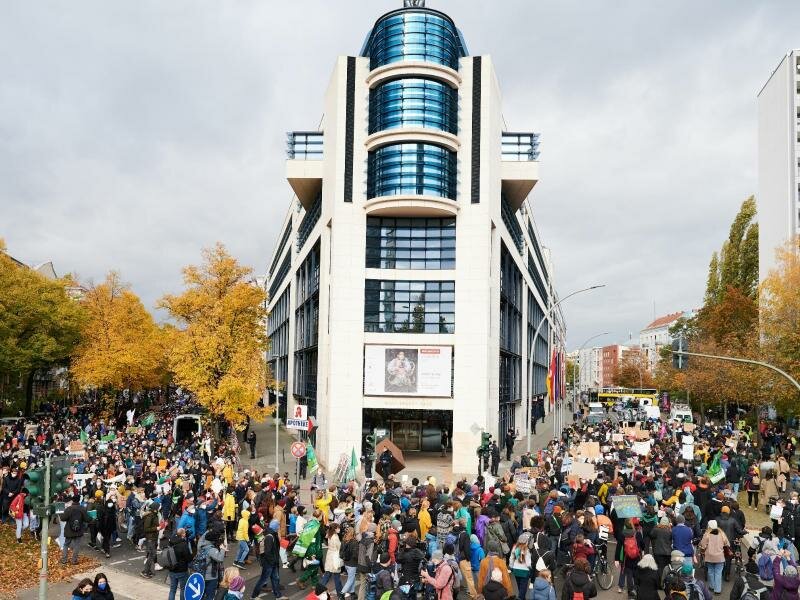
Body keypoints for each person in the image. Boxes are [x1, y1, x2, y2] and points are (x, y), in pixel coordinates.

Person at [251, 520, 288, 600]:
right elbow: (268, 552)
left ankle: (278, 596)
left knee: (275, 578)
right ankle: (254, 596)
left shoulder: (271, 534)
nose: (279, 528)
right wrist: (273, 561)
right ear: (275, 527)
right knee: (263, 579)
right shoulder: (270, 536)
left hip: (271, 562)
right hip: (269, 563)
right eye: (278, 526)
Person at [699, 520, 729, 595]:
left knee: (710, 571)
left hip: (709, 556)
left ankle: (711, 586)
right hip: (720, 557)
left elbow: (703, 545)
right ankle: (717, 590)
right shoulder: (722, 533)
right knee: (718, 573)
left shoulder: (707, 534)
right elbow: (727, 544)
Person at [61, 494, 91, 565]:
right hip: (79, 530)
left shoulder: (69, 509)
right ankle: (74, 560)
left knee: (66, 544)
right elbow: (87, 519)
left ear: (72, 500)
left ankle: (64, 560)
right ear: (79, 500)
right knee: (76, 545)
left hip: (69, 530)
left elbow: (63, 518)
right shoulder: (82, 508)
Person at [167, 528, 192, 600]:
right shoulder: (183, 544)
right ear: (183, 534)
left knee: (172, 589)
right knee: (183, 589)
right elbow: (188, 558)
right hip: (182, 570)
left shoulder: (171, 542)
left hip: (172, 569)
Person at [321, 523, 344, 596]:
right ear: (335, 529)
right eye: (338, 528)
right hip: (335, 557)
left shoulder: (329, 535)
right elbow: (339, 547)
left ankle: (319, 590)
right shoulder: (335, 537)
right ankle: (340, 594)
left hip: (330, 556)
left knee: (327, 575)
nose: (339, 529)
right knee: (337, 577)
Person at [140, 500, 160, 578]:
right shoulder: (149, 516)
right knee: (151, 555)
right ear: (155, 509)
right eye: (158, 508)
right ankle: (145, 571)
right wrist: (156, 528)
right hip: (150, 538)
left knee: (152, 554)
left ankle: (148, 570)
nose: (159, 509)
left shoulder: (154, 515)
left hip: (153, 537)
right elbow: (146, 529)